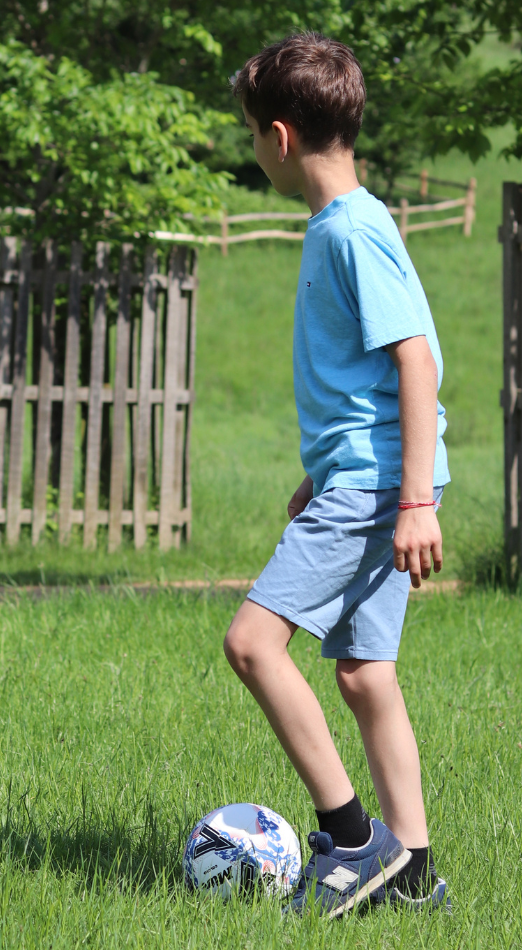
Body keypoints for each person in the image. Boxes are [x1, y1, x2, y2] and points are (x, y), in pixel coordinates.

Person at [224, 34, 450, 916]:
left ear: (279, 138)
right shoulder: (349, 223)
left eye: (251, 133)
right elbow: (362, 382)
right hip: (358, 479)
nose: (254, 147)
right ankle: (414, 874)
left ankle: (355, 842)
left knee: (252, 644)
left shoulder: (353, 230)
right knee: (363, 672)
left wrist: (414, 500)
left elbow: (415, 361)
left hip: (380, 487)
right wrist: (322, 474)